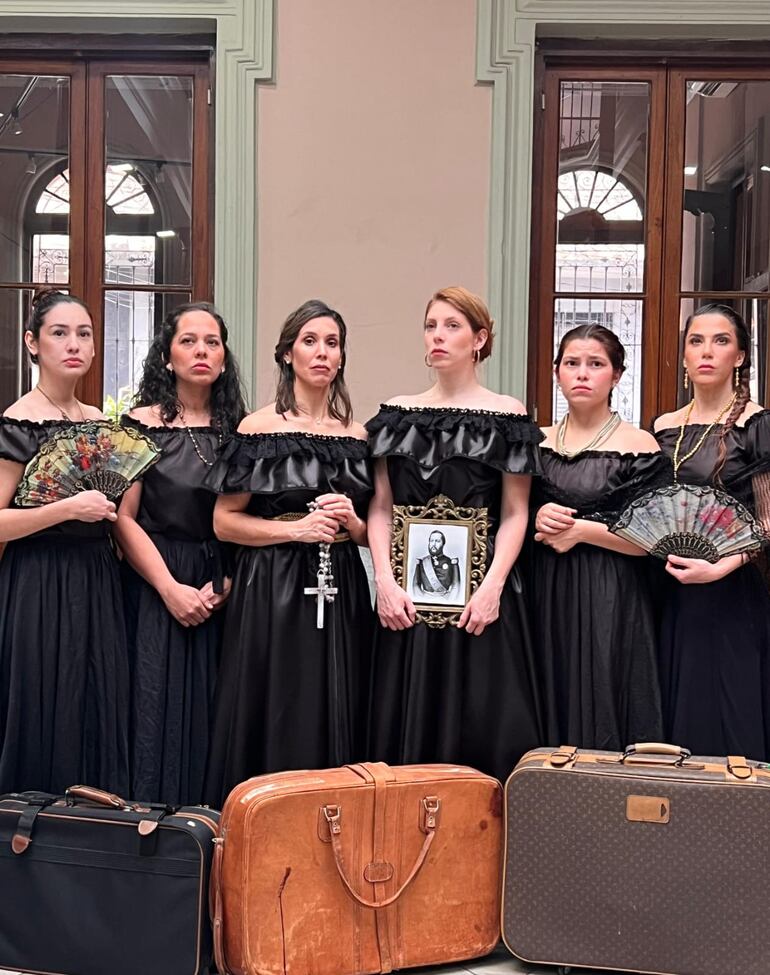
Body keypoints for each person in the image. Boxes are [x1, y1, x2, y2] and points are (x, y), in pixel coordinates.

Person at [366, 286, 543, 784]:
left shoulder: (506, 415)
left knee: (482, 724)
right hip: (405, 604)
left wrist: (492, 589)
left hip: (479, 607)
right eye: (431, 325)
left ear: (479, 339)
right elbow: (380, 506)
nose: (438, 336)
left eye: (452, 326)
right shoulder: (394, 414)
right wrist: (383, 580)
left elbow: (515, 513)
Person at [203, 299, 373, 805]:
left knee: (338, 697)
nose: (322, 352)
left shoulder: (358, 436)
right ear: (287, 354)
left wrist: (351, 520)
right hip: (271, 583)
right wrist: (297, 532)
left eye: (332, 343)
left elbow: (370, 534)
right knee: (276, 701)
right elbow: (224, 523)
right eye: (309, 341)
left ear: (341, 358)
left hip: (340, 581)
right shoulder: (258, 430)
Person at [114, 302, 246, 805]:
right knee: (153, 709)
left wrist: (229, 581)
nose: (201, 351)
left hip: (222, 584)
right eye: (189, 341)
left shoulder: (243, 429)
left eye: (212, 342)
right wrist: (169, 588)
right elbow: (123, 519)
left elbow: (245, 515)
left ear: (223, 358)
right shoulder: (137, 425)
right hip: (154, 580)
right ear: (167, 356)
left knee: (216, 712)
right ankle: (150, 840)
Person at [0, 289, 128, 794]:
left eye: (84, 334)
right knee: (40, 701)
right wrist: (67, 509)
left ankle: (91, 839)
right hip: (38, 580)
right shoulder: (18, 422)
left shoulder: (98, 420)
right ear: (33, 344)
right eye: (59, 333)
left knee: (95, 702)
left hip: (98, 578)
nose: (73, 344)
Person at [530, 324, 668, 750]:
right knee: (546, 688)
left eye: (596, 364)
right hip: (543, 588)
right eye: (572, 364)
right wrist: (538, 514)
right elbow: (509, 516)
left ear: (617, 375)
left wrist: (583, 531)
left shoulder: (640, 445)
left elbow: (654, 538)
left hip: (612, 593)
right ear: (556, 372)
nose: (582, 374)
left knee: (605, 690)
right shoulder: (536, 443)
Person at [654, 303, 770, 759]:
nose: (707, 351)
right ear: (684, 355)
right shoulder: (664, 426)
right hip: (668, 587)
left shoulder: (756, 424)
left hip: (732, 590)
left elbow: (767, 520)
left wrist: (723, 566)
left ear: (739, 356)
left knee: (730, 712)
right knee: (671, 709)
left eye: (721, 341)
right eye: (696, 341)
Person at [412, 529, 461, 598]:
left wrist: (450, 601)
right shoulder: (421, 562)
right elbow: (416, 585)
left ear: (443, 544)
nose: (433, 544)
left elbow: (456, 585)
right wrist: (422, 599)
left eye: (437, 541)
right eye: (431, 541)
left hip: (445, 600)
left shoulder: (451, 562)